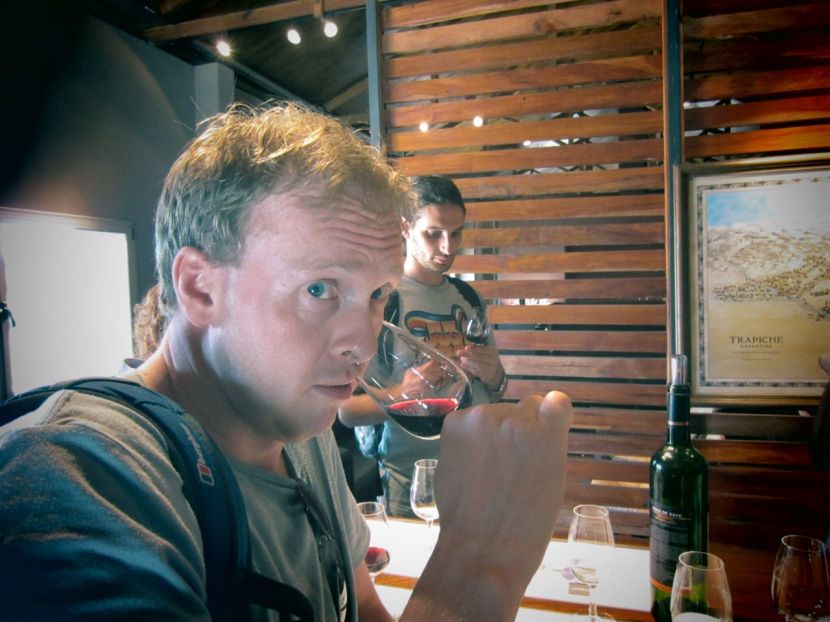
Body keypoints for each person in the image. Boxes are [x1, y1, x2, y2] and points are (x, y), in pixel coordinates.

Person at [0, 102, 572, 621]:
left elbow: (363, 610)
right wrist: (480, 562)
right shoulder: (77, 477)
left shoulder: (299, 434)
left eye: (377, 295)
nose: (364, 342)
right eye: (320, 289)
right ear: (200, 288)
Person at [337, 175, 508, 517]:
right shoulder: (381, 300)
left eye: (456, 233)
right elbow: (346, 411)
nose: (448, 247)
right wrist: (403, 393)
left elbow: (497, 389)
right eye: (433, 234)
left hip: (478, 468)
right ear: (405, 227)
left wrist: (495, 375)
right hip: (413, 479)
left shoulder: (469, 298)